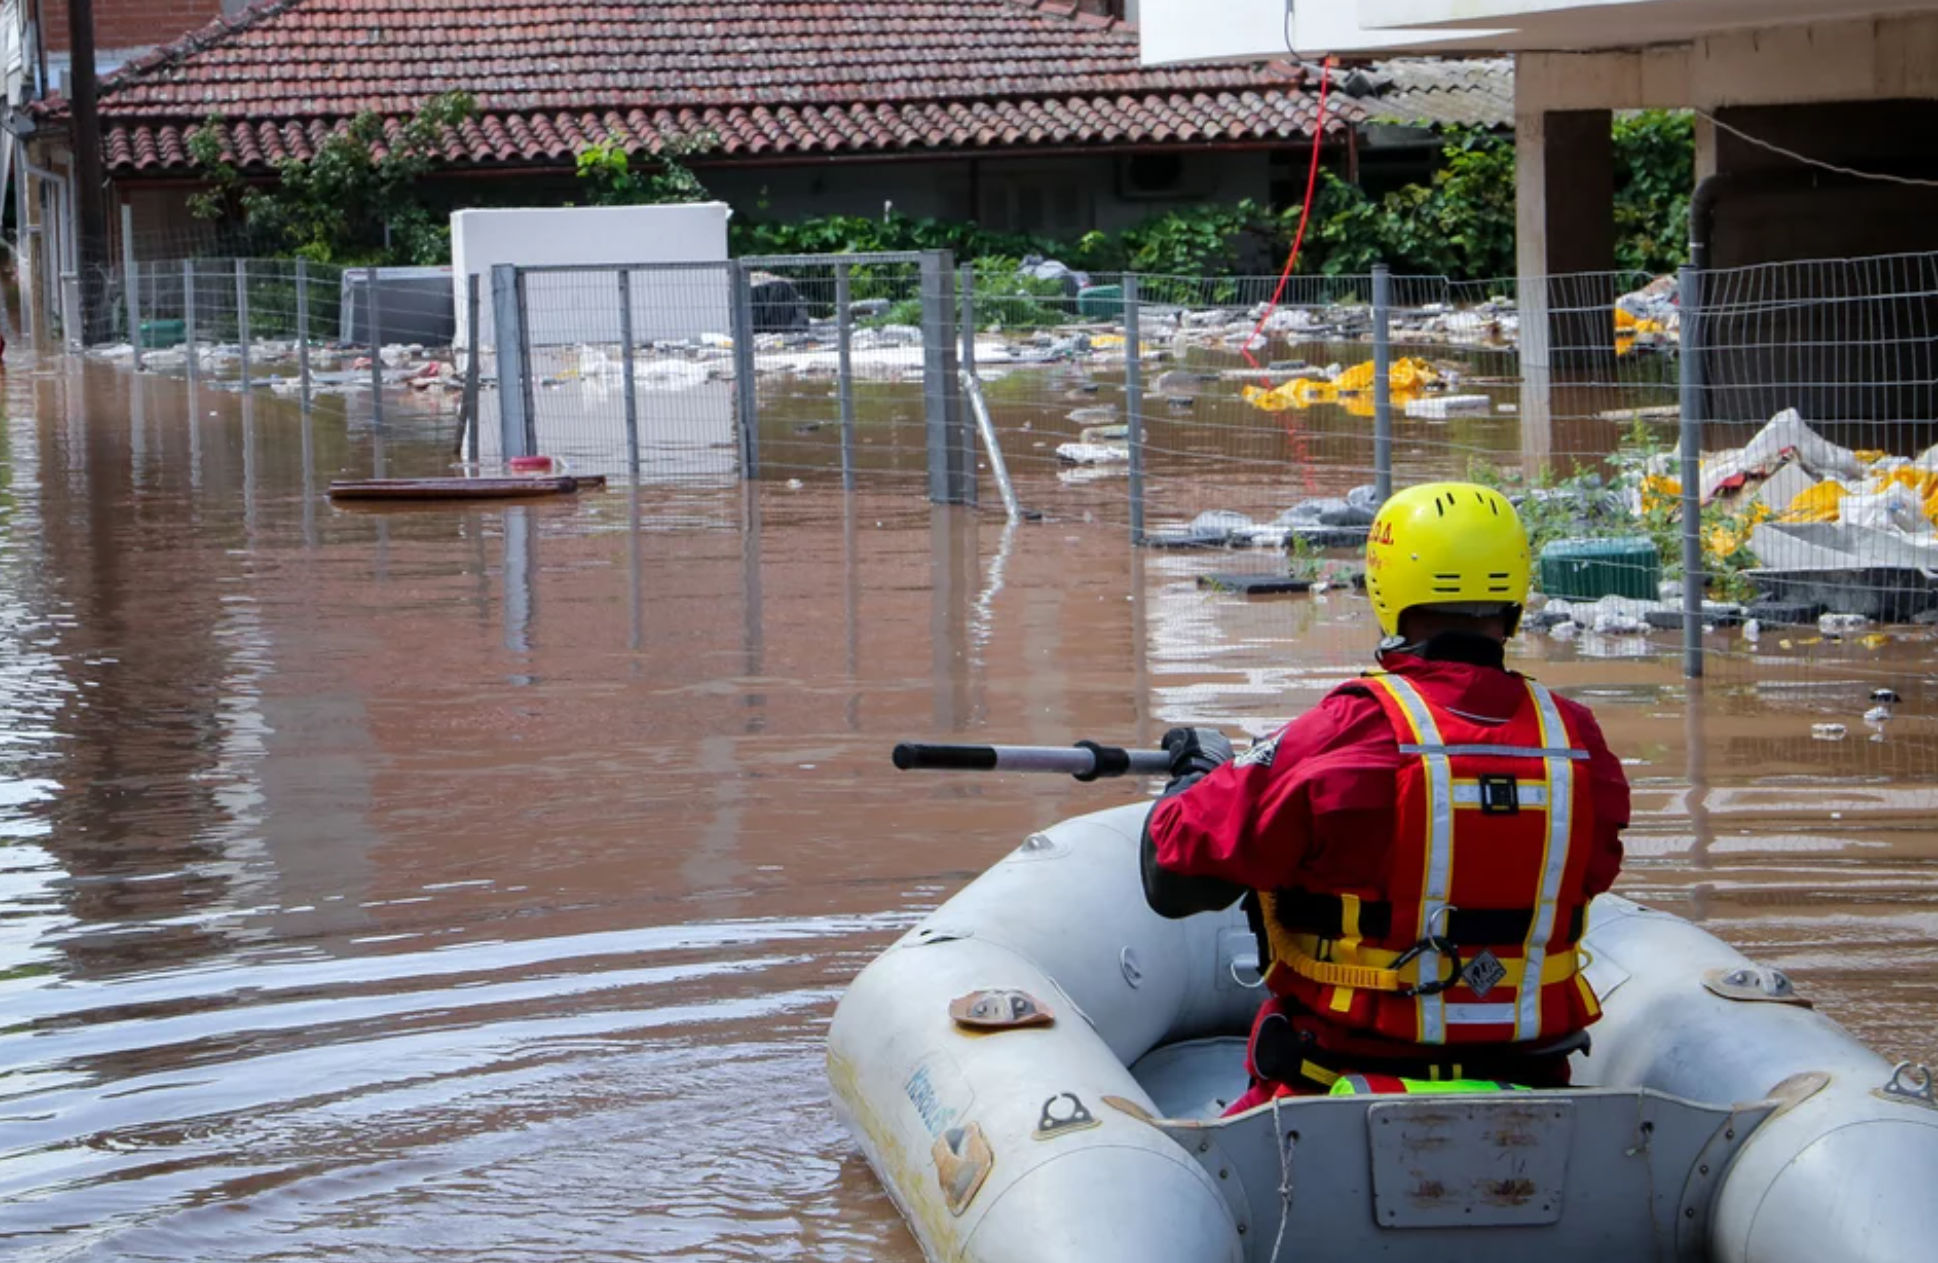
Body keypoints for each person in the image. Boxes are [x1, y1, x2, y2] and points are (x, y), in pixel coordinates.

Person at [1141, 481, 1629, 1110]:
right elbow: (1594, 866)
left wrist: (1199, 775)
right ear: (1513, 592)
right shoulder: (1576, 738)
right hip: (1532, 1084)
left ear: (1385, 587)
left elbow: (1174, 869)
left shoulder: (1348, 729)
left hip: (1332, 1086)